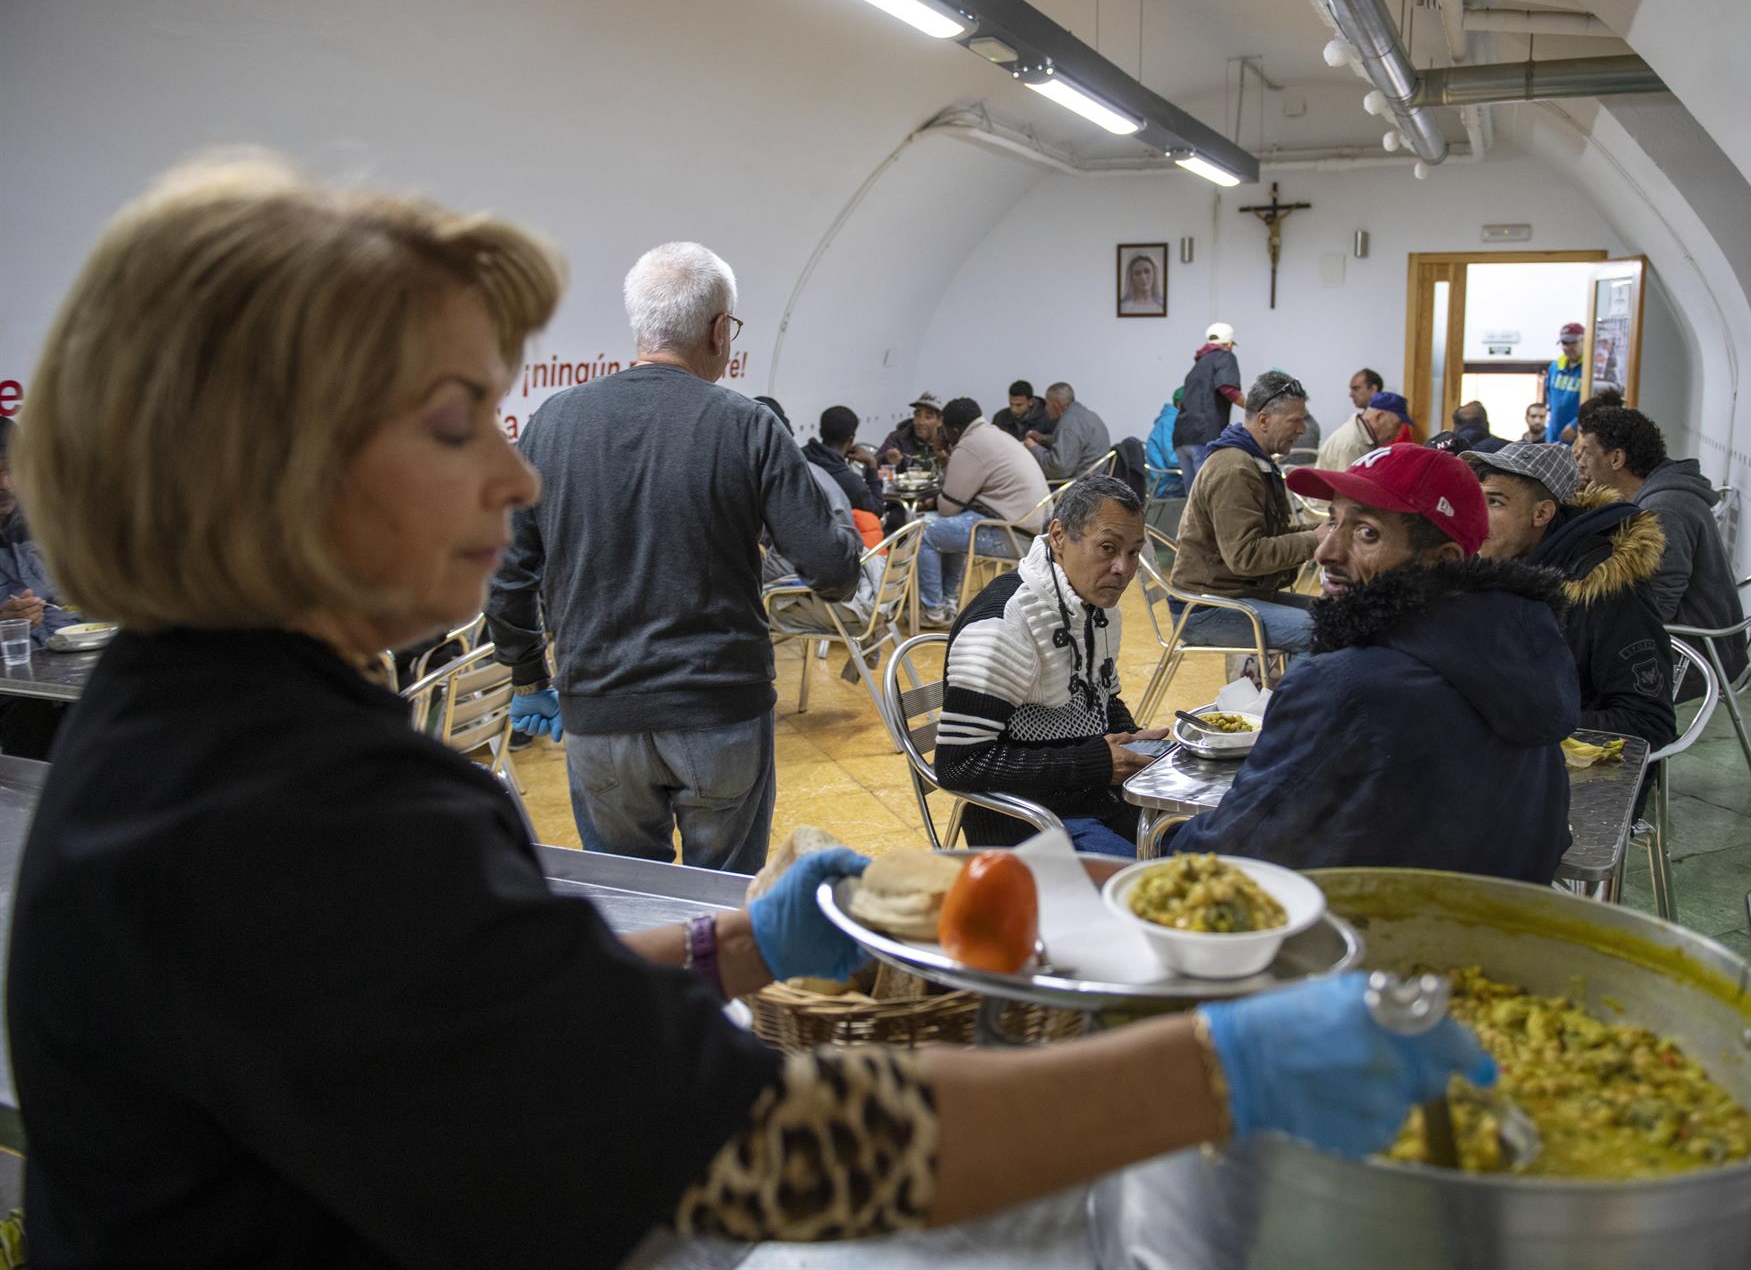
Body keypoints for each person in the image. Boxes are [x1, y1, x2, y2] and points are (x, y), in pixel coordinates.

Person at [8, 157, 1492, 1267]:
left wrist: (722, 939)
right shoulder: (279, 812)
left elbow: (482, 1024)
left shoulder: (217, 729)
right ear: (267, 464)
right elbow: (751, 1148)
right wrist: (1217, 1069)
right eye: (456, 425)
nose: (518, 481)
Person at [489, 241, 860, 873]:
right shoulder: (746, 425)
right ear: (720, 331)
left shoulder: (551, 422)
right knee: (723, 912)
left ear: (642, 327)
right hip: (720, 712)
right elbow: (832, 568)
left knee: (635, 905)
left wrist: (528, 673)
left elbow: (504, 574)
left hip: (598, 715)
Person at [1171, 444, 1578, 882]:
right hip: (1488, 935)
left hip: (1367, 938)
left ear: (1441, 561)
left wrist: (1165, 843)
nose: (1325, 551)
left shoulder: (1342, 686)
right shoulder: (1516, 659)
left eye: (1367, 533)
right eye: (1332, 520)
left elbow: (1231, 849)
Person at [936, 476, 1166, 854]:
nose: (1123, 568)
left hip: (1095, 800)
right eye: (1107, 548)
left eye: (1134, 551)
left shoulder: (1094, 608)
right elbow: (960, 765)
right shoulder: (1004, 625)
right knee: (1152, 887)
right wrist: (1095, 763)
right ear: (1059, 536)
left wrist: (1138, 742)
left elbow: (1101, 701)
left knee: (1210, 839)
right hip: (1023, 824)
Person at [1466, 442, 1677, 753]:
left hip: (1575, 770)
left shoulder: (1605, 588)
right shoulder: (1500, 567)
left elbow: (1649, 722)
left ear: (1541, 513)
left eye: (1495, 502)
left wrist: (1519, 721)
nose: (1476, 517)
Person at [1576, 406, 1749, 683]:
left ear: (1617, 458)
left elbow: (1658, 605)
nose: (1580, 460)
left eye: (1587, 451)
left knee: (1567, 663)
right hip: (1691, 640)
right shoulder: (1656, 496)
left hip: (1694, 653)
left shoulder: (1664, 509)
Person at [1170, 371, 1317, 661]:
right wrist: (1315, 540)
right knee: (1318, 630)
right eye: (1295, 420)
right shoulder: (1235, 469)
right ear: (1264, 420)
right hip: (1206, 610)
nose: (1302, 429)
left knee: (1337, 615)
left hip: (1232, 597)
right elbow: (1246, 557)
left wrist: (1327, 529)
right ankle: (1293, 707)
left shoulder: (1251, 461)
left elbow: (1267, 537)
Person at [758, 398, 881, 646]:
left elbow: (790, 563)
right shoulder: (813, 472)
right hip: (855, 582)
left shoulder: (789, 484)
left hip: (835, 599)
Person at [917, 396, 1051, 624]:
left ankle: (934, 610)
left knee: (923, 530)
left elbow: (949, 508)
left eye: (944, 431)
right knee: (950, 530)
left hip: (1011, 535)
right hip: (1034, 531)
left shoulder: (969, 446)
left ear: (954, 430)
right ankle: (948, 600)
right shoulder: (994, 434)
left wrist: (936, 494)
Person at [0, 417, 81, 757]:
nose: (5, 484)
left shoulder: (44, 525)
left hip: (65, 685)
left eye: (10, 469)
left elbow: (71, 613)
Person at [1172, 322, 1243, 492]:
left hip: (1182, 438)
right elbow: (1228, 388)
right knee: (1209, 496)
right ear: (1229, 344)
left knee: (1193, 500)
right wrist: (1253, 407)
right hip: (1204, 436)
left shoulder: (1198, 364)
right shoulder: (1225, 357)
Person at [805, 404, 886, 518]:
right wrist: (871, 464)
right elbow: (877, 511)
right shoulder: (851, 483)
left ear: (820, 432)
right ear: (851, 439)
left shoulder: (799, 458)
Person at [1025, 381, 1111, 479]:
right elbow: (1073, 444)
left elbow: (1058, 470)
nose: (1046, 408)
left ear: (1057, 404)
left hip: (1077, 487)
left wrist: (1033, 447)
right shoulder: (1087, 415)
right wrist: (1043, 439)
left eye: (1047, 404)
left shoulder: (1069, 424)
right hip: (1096, 481)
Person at [1316, 391, 1412, 471]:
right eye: (1396, 426)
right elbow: (1348, 489)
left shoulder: (1364, 437)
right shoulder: (1352, 443)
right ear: (1379, 417)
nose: (1398, 433)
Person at [880, 392, 947, 475]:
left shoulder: (949, 440)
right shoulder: (898, 438)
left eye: (928, 417)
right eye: (918, 415)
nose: (920, 422)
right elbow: (874, 468)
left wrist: (945, 460)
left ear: (939, 421)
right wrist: (887, 462)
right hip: (905, 488)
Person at [1543, 322, 1586, 444]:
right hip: (1553, 436)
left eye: (1573, 342)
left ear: (1584, 341)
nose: (1568, 348)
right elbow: (1550, 398)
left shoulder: (1590, 369)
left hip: (1578, 436)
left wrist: (1576, 424)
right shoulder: (1555, 367)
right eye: (1564, 343)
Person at [1146, 386, 1184, 496]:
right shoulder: (1169, 423)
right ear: (1181, 405)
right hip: (1165, 484)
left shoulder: (1174, 422)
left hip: (1174, 481)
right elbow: (1172, 459)